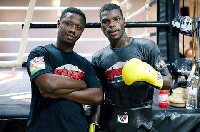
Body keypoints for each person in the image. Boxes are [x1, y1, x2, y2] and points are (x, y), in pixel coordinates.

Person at [90, 3, 172, 132]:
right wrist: (93, 124)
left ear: (124, 22)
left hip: (142, 121)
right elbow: (98, 95)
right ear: (101, 26)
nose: (111, 24)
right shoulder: (98, 58)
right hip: (111, 122)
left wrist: (149, 74)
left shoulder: (147, 47)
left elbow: (168, 82)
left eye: (116, 19)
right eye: (106, 21)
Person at [26, 7, 103, 132]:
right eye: (68, 24)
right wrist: (81, 84)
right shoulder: (39, 54)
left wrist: (58, 92)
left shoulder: (84, 63)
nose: (72, 30)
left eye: (78, 28)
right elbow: (48, 85)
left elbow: (97, 96)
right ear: (59, 23)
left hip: (77, 128)